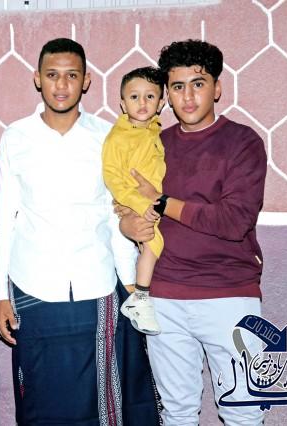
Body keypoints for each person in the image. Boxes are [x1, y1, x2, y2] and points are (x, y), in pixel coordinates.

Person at [0, 38, 151, 425]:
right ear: (37, 79)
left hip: (95, 283)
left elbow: (114, 215)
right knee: (39, 396)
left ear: (86, 81)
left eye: (71, 76)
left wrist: (131, 286)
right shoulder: (16, 137)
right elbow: (4, 221)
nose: (61, 85)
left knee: (100, 397)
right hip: (32, 284)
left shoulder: (107, 137)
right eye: (52, 75)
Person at [120, 40, 267, 425]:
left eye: (198, 84)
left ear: (217, 88)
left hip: (230, 296)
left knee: (244, 412)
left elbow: (233, 221)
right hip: (164, 297)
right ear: (167, 95)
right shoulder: (154, 145)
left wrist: (162, 202)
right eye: (178, 86)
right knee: (177, 413)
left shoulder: (243, 143)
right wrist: (127, 223)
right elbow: (127, 205)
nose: (188, 96)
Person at [102, 66, 166, 335]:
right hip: (135, 205)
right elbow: (113, 177)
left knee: (154, 246)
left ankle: (141, 296)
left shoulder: (156, 134)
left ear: (160, 103)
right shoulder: (117, 137)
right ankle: (139, 298)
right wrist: (138, 205)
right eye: (134, 97)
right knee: (153, 242)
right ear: (122, 103)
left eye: (150, 96)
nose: (142, 103)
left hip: (156, 204)